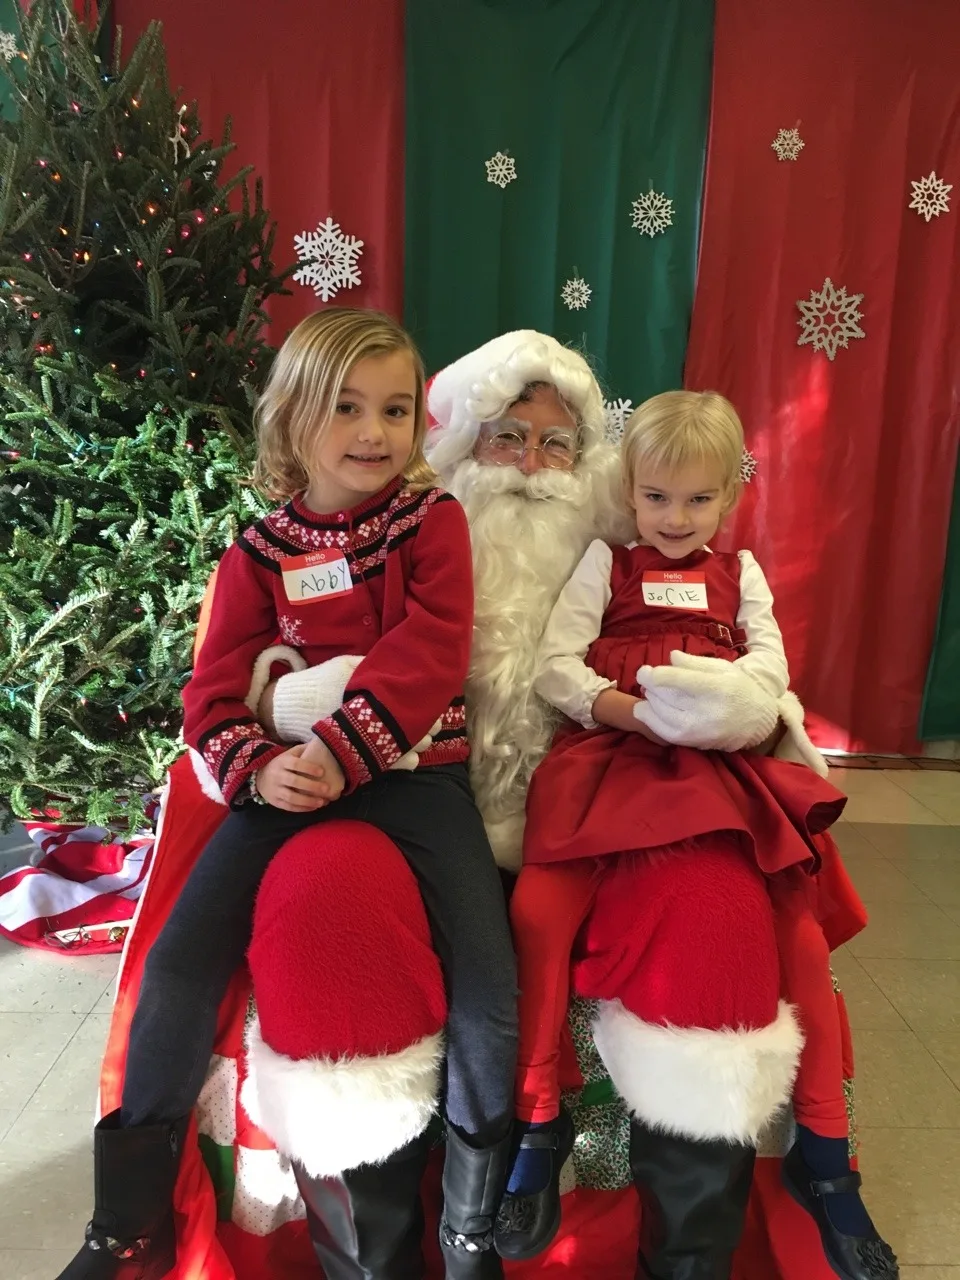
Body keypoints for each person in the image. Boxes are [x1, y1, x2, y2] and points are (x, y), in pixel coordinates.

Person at [252, 334, 822, 1278]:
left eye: (555, 446)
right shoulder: (381, 532)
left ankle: (684, 1262)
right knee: (326, 904)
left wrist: (746, 707)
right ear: (458, 447)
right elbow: (256, 661)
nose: (528, 468)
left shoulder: (624, 559)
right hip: (394, 795)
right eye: (506, 438)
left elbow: (745, 666)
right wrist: (285, 699)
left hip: (606, 798)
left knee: (715, 919)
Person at [58, 308, 518, 1280]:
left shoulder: (433, 522)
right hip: (285, 786)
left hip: (413, 779)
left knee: (489, 984)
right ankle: (123, 1223)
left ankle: (470, 1231)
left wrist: (344, 750)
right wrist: (259, 767)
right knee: (178, 965)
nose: (375, 430)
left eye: (397, 408)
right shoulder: (257, 551)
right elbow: (212, 692)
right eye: (347, 406)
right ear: (293, 417)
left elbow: (435, 647)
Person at [497, 390, 898, 1280]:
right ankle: (535, 1118)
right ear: (629, 491)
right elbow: (557, 666)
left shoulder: (742, 572)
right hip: (611, 759)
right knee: (537, 912)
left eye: (698, 500)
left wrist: (732, 712)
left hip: (720, 772)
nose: (675, 519)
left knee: (793, 927)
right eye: (656, 498)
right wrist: (632, 712)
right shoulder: (605, 562)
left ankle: (827, 1160)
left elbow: (769, 669)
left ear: (729, 498)